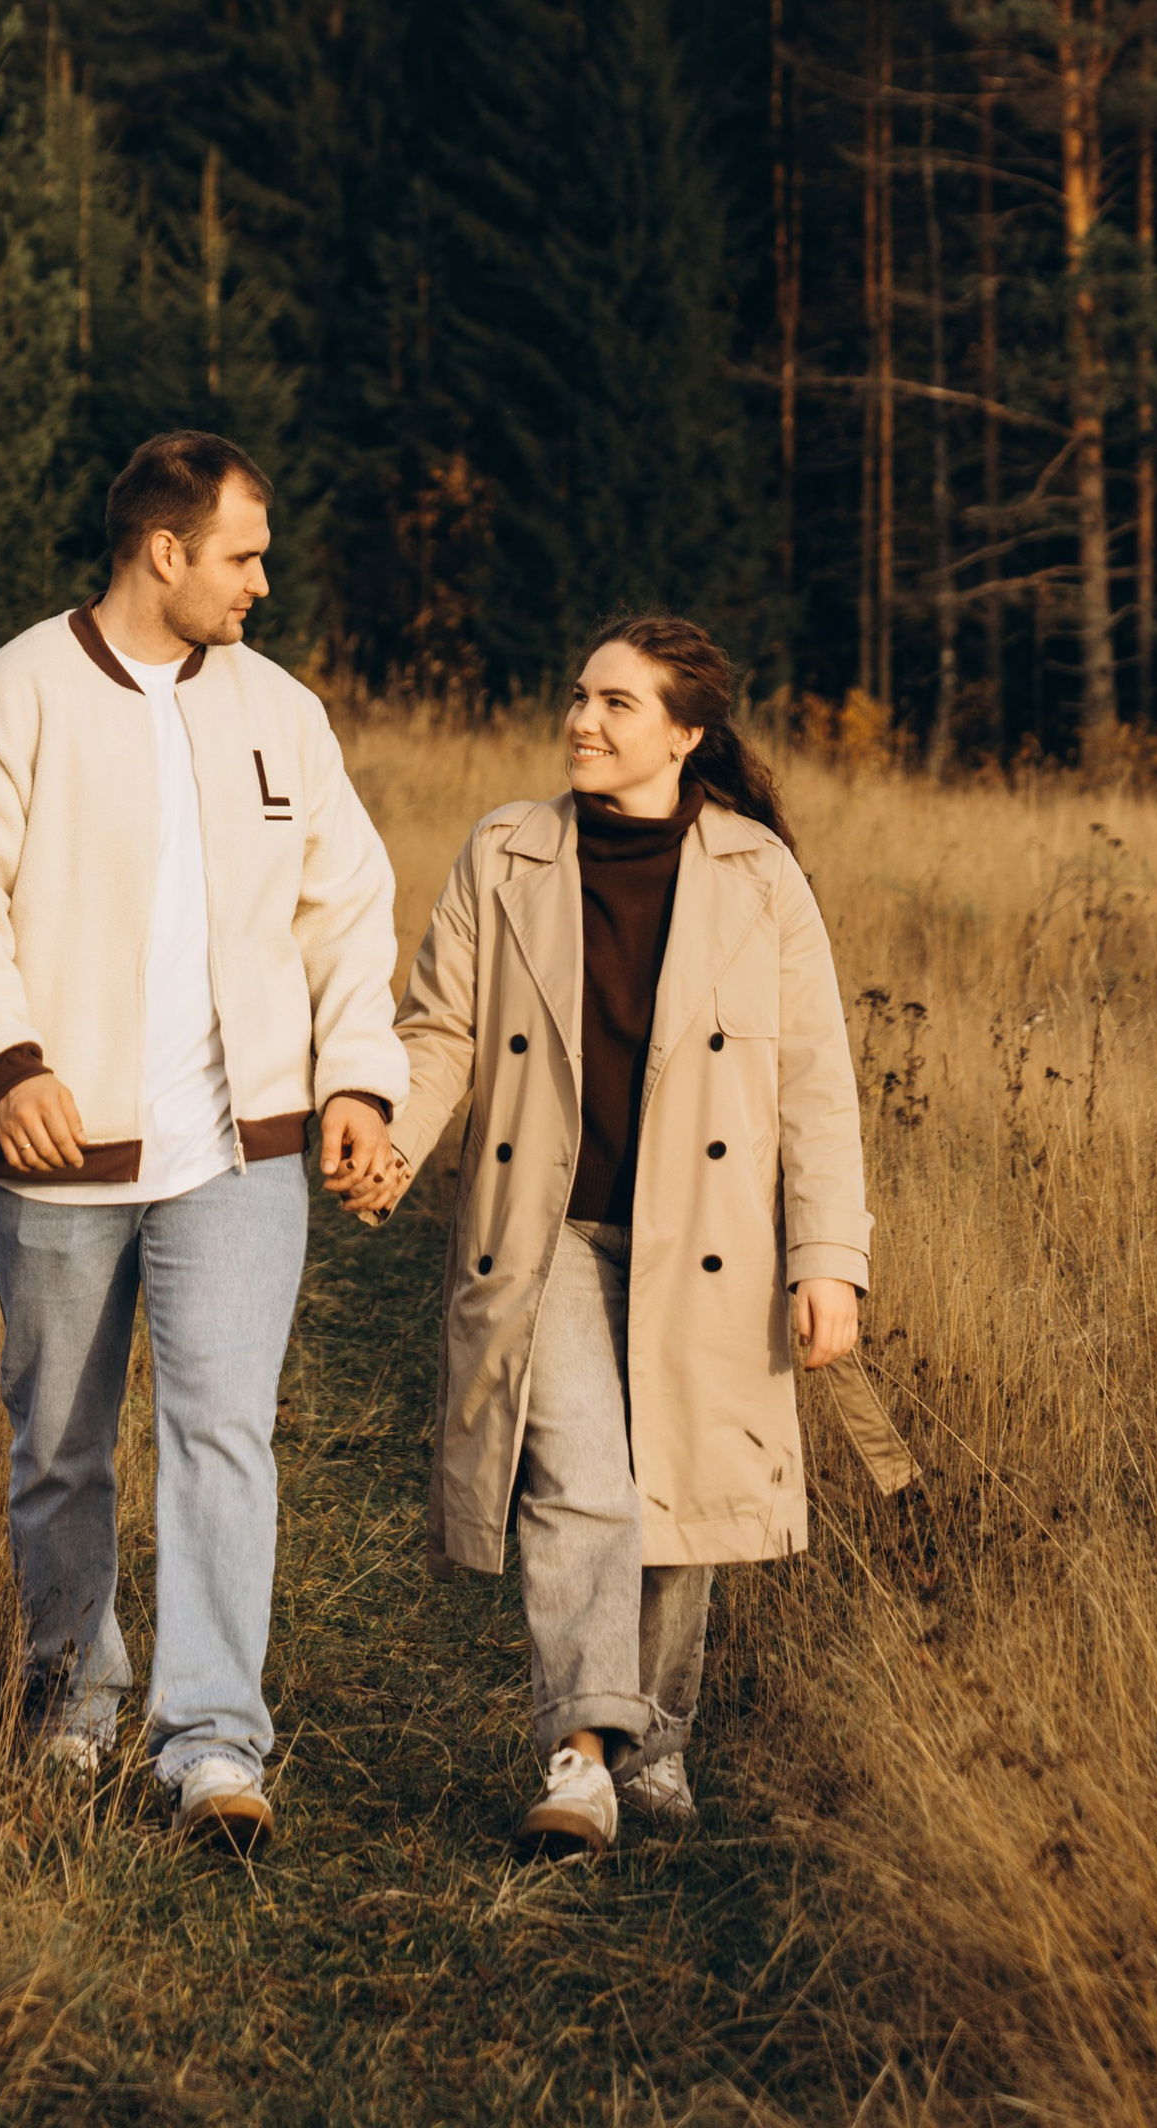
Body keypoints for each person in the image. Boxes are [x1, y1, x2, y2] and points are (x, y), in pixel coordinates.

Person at [0, 428, 407, 1848]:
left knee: (223, 1435)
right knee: (62, 1444)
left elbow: (347, 912)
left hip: (238, 1158)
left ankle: (213, 1743)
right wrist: (7, 1063)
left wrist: (357, 1082)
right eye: (243, 556)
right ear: (164, 551)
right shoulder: (11, 700)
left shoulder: (282, 714)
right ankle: (73, 1698)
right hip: (57, 1155)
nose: (262, 583)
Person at [352, 615, 870, 1852]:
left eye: (615, 704)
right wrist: (395, 1141)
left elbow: (815, 1081)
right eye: (579, 695)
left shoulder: (759, 875)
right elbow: (439, 1030)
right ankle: (581, 1758)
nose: (581, 720)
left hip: (710, 1247)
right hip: (553, 1237)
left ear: (684, 735)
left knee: (680, 1496)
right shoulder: (505, 853)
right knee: (579, 1488)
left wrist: (828, 1262)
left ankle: (657, 1744)